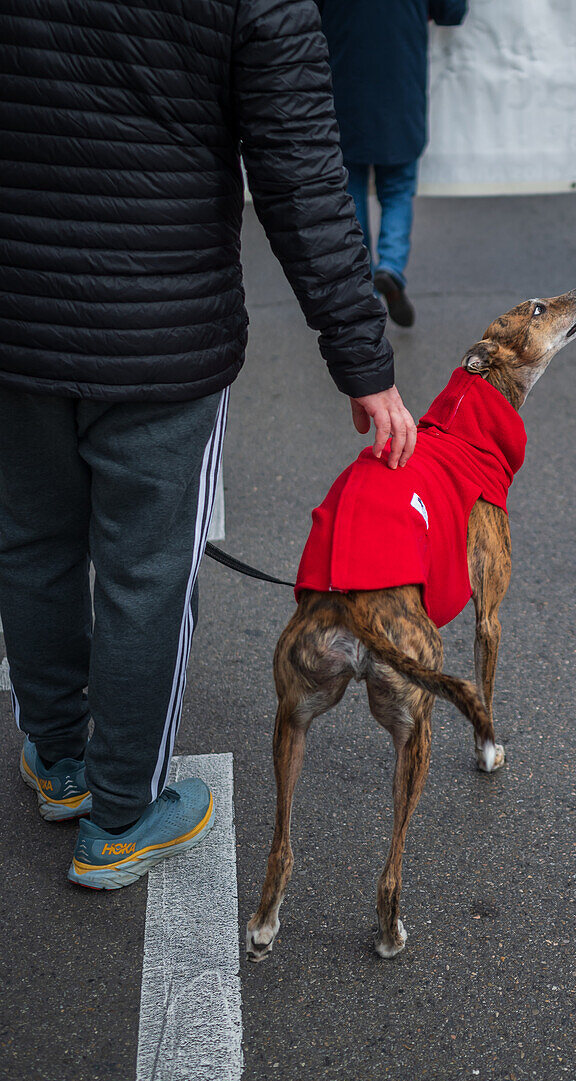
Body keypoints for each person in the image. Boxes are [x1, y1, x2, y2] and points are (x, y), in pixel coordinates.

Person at [0, 0, 416, 891]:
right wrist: (364, 362)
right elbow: (301, 173)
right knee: (147, 576)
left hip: (18, 318)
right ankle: (118, 815)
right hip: (161, 333)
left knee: (33, 543)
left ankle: (59, 760)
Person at [317, 0, 468, 328]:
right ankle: (392, 268)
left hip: (344, 89)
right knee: (398, 190)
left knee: (349, 194)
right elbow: (452, 12)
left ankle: (361, 287)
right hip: (400, 91)